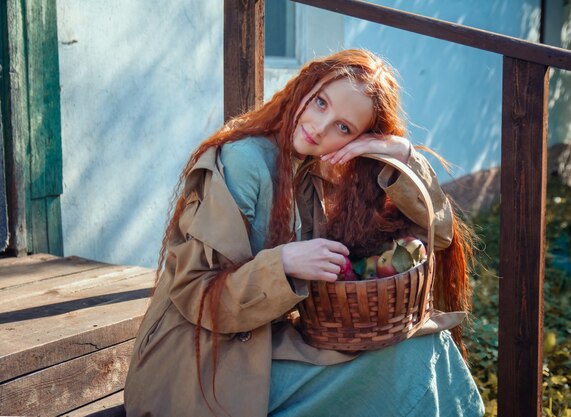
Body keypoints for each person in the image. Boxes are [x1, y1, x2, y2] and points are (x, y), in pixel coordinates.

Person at [124, 49, 485, 417]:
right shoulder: (243, 161)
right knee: (410, 362)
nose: (320, 127)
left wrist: (400, 155)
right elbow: (196, 293)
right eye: (320, 103)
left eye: (344, 128)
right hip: (197, 364)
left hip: (261, 344)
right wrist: (282, 264)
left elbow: (437, 236)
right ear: (305, 87)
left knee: (424, 343)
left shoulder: (314, 171)